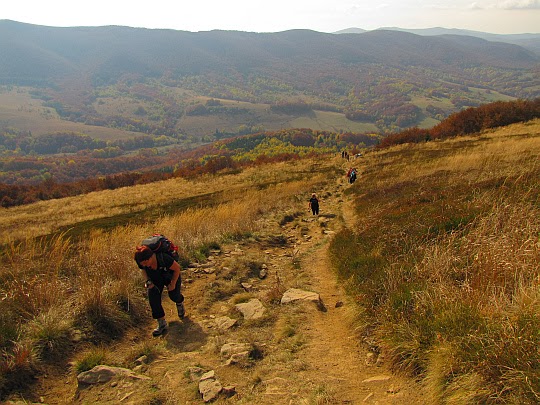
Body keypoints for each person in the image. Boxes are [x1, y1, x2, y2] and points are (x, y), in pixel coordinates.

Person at [134, 245, 185, 336]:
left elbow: (177, 269)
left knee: (174, 295)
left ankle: (179, 302)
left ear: (151, 257)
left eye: (146, 263)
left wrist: (173, 283)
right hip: (155, 278)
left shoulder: (163, 258)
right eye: (143, 264)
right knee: (153, 298)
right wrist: (148, 281)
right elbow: (143, 270)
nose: (145, 265)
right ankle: (162, 323)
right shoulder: (142, 262)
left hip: (170, 276)